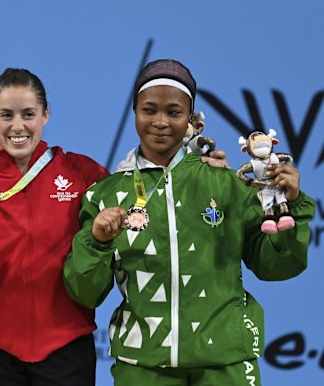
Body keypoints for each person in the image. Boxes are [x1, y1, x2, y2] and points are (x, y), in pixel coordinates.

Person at [63, 59, 315, 385]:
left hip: (224, 361)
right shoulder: (106, 194)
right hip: (143, 364)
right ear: (135, 112)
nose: (160, 122)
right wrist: (96, 242)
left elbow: (277, 266)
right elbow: (85, 293)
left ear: (192, 119)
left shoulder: (227, 184)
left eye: (174, 112)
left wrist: (291, 207)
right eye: (149, 110)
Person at [0, 68, 109, 385]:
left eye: (28, 114)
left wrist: (198, 167)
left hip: (67, 348)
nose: (17, 126)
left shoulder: (82, 173)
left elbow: (143, 201)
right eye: (6, 115)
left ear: (45, 115)